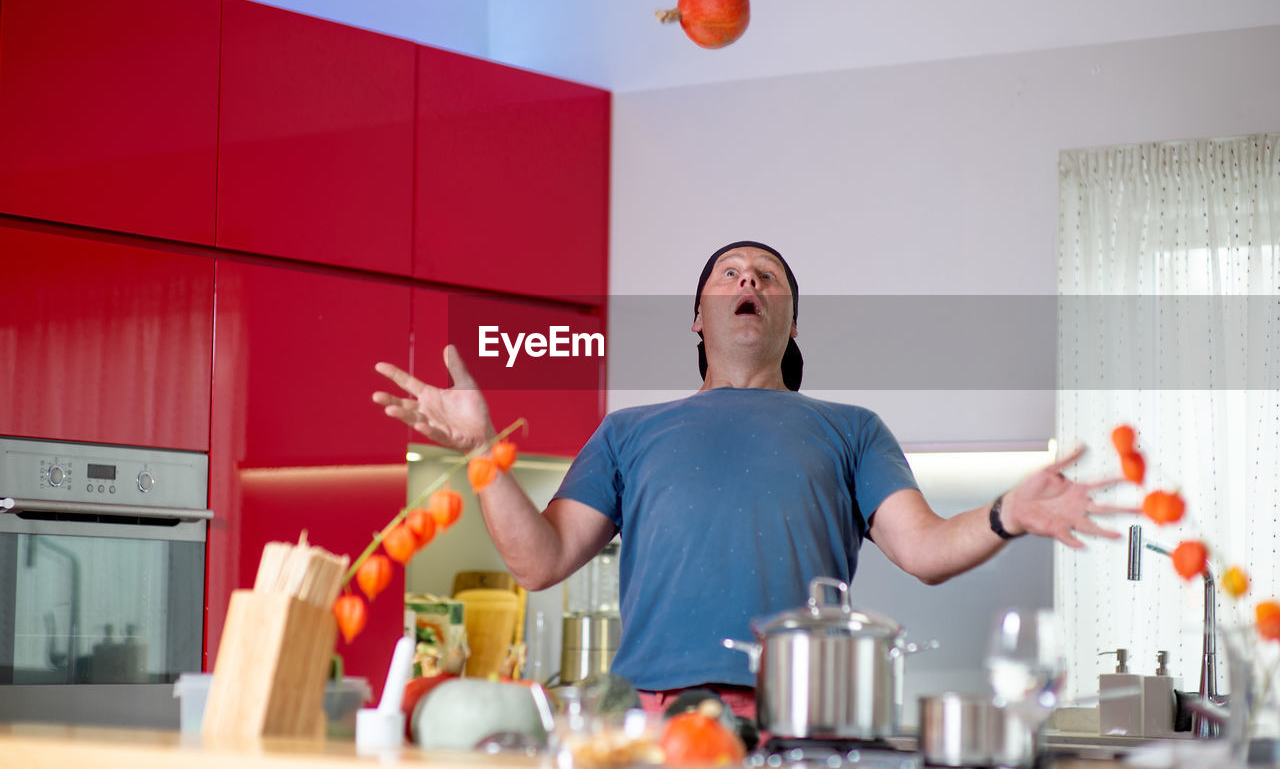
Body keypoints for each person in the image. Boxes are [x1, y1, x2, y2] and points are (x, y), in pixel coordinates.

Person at [372, 240, 1134, 718]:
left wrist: (1007, 513)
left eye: (767, 277)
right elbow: (536, 562)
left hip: (800, 712)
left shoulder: (851, 428)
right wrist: (480, 449)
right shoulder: (629, 432)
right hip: (646, 714)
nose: (750, 281)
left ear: (791, 321)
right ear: (698, 318)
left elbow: (926, 550)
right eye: (731, 273)